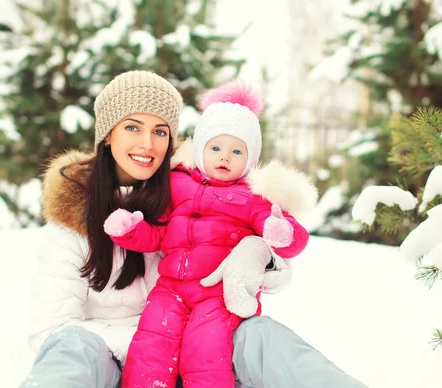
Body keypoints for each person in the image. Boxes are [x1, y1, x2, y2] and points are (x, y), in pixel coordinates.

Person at [20, 70, 367, 388]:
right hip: (118, 367)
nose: (147, 144)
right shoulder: (71, 223)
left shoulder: (187, 191)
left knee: (260, 335)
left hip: (207, 353)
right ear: (107, 135)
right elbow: (50, 331)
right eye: (132, 127)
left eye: (160, 131)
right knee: (71, 346)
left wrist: (258, 252)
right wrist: (153, 344)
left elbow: (276, 274)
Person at [104, 81, 312, 388]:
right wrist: (130, 231)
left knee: (205, 353)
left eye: (236, 150)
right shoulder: (176, 183)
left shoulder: (254, 197)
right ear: (200, 150)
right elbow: (158, 235)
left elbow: (294, 238)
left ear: (250, 158)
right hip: (170, 288)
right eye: (215, 148)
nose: (224, 157)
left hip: (217, 294)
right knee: (152, 346)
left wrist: (281, 232)